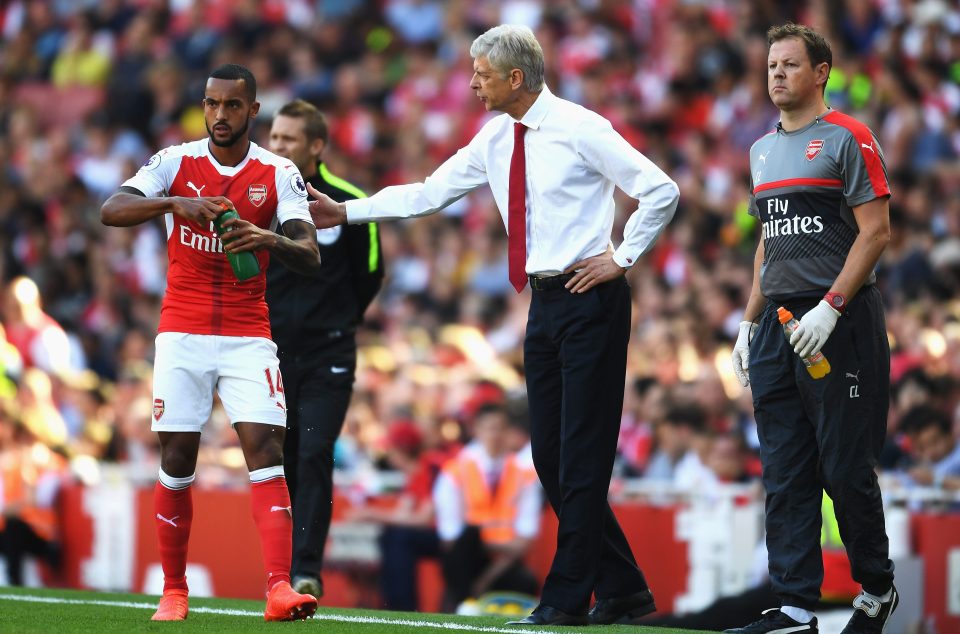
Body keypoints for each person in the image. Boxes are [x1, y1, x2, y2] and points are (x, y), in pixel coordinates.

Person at [308, 24, 679, 626]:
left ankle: (566, 597)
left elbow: (660, 189)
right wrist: (347, 211)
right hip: (542, 300)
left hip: (591, 296)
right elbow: (430, 193)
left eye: (481, 72)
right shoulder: (495, 139)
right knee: (551, 457)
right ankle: (624, 587)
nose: (473, 82)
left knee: (580, 455)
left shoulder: (583, 128)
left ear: (514, 77)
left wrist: (622, 257)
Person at [99, 63, 321, 622]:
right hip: (182, 330)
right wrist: (176, 204)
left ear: (254, 110)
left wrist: (264, 234)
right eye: (211, 104)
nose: (220, 115)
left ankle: (278, 589)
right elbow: (111, 210)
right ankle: (174, 591)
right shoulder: (175, 162)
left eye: (232, 105)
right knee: (176, 457)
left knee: (265, 453)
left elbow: (309, 251)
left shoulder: (278, 173)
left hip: (249, 333)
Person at [728, 23, 897, 634]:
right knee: (784, 467)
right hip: (777, 323)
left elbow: (876, 231)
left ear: (820, 71)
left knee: (844, 466)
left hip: (840, 318)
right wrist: (748, 323)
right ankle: (795, 607)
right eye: (771, 64)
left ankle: (876, 589)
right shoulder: (760, 150)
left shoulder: (848, 137)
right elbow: (768, 246)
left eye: (790, 64)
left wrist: (830, 306)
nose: (776, 73)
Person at [266, 98, 384, 599]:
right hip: (268, 353)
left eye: (288, 139)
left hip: (327, 354)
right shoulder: (256, 197)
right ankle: (281, 571)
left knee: (314, 451)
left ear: (316, 146)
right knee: (280, 459)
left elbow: (370, 273)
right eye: (273, 137)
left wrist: (337, 323)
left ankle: (305, 570)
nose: (277, 146)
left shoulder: (348, 203)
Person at [433, 403, 542, 612]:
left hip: (502, 564)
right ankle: (460, 604)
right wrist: (493, 543)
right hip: (467, 558)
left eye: (500, 428)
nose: (496, 435)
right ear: (476, 430)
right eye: (490, 427)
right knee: (467, 541)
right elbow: (451, 537)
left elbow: (524, 541)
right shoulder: (456, 471)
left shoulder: (524, 475)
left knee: (526, 582)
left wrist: (484, 579)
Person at [346, 419, 442, 611]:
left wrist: (372, 514)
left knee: (400, 538)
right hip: (431, 534)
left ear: (402, 450)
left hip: (449, 537)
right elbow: (401, 514)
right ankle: (391, 604)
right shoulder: (415, 474)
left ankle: (404, 608)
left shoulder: (429, 469)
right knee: (391, 535)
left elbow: (425, 519)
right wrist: (371, 515)